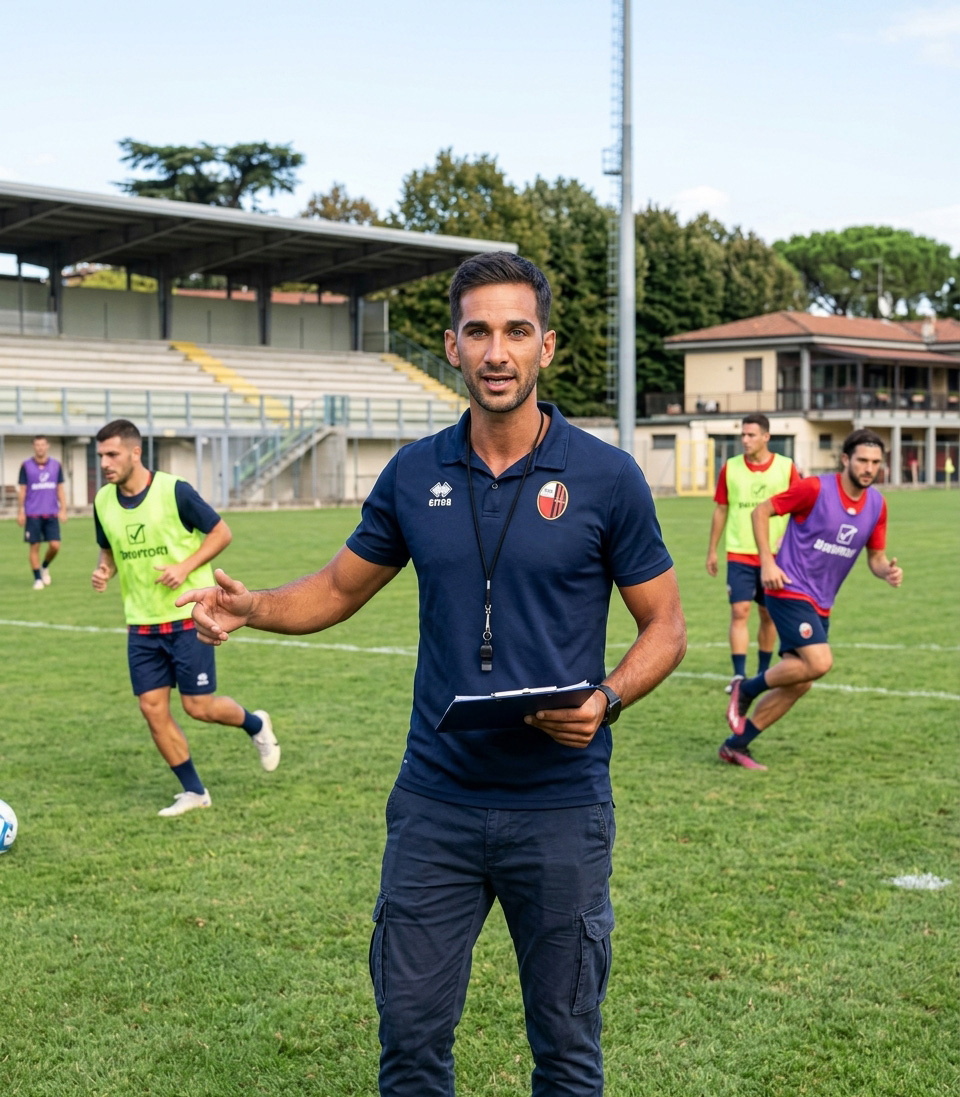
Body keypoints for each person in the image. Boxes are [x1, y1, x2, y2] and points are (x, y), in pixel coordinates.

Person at [177, 252, 686, 1096]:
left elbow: (665, 624)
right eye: (479, 330)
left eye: (516, 331)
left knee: (566, 1050)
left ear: (546, 346)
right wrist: (251, 605)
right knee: (410, 1041)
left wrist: (606, 698)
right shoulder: (415, 472)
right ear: (451, 345)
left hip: (560, 806)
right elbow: (340, 587)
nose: (497, 351)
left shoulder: (606, 476)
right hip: (436, 804)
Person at [90, 419, 279, 816]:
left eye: (112, 454)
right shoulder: (102, 502)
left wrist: (185, 565)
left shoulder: (173, 490)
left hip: (187, 620)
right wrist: (104, 568)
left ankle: (256, 725)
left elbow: (221, 532)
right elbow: (108, 547)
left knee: (199, 707)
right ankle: (194, 791)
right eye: (101, 455)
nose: (105, 462)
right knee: (151, 708)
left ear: (135, 452)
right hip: (140, 624)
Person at [721, 428, 902, 770]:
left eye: (875, 462)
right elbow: (761, 511)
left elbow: (876, 558)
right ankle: (744, 690)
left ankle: (735, 745)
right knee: (819, 662)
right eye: (862, 460)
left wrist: (886, 572)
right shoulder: (816, 488)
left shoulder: (877, 504)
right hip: (787, 587)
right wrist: (768, 562)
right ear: (846, 459)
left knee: (801, 681)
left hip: (821, 601)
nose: (869, 468)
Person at [705, 414, 800, 690]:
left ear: (766, 437)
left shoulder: (786, 467)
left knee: (767, 614)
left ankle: (762, 673)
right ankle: (738, 675)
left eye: (751, 435)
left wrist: (789, 540)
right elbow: (721, 509)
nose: (745, 440)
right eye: (743, 435)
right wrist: (712, 549)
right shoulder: (730, 468)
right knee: (740, 611)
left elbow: (800, 508)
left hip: (775, 556)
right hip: (739, 552)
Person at [18, 434, 67, 589]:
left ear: (48, 446)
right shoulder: (26, 466)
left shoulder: (56, 465)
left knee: (55, 546)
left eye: (43, 444)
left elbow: (60, 488)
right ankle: (38, 579)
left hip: (51, 513)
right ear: (34, 447)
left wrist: (63, 509)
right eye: (37, 445)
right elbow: (23, 490)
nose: (40, 447)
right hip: (33, 513)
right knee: (34, 547)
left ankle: (45, 566)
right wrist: (20, 511)